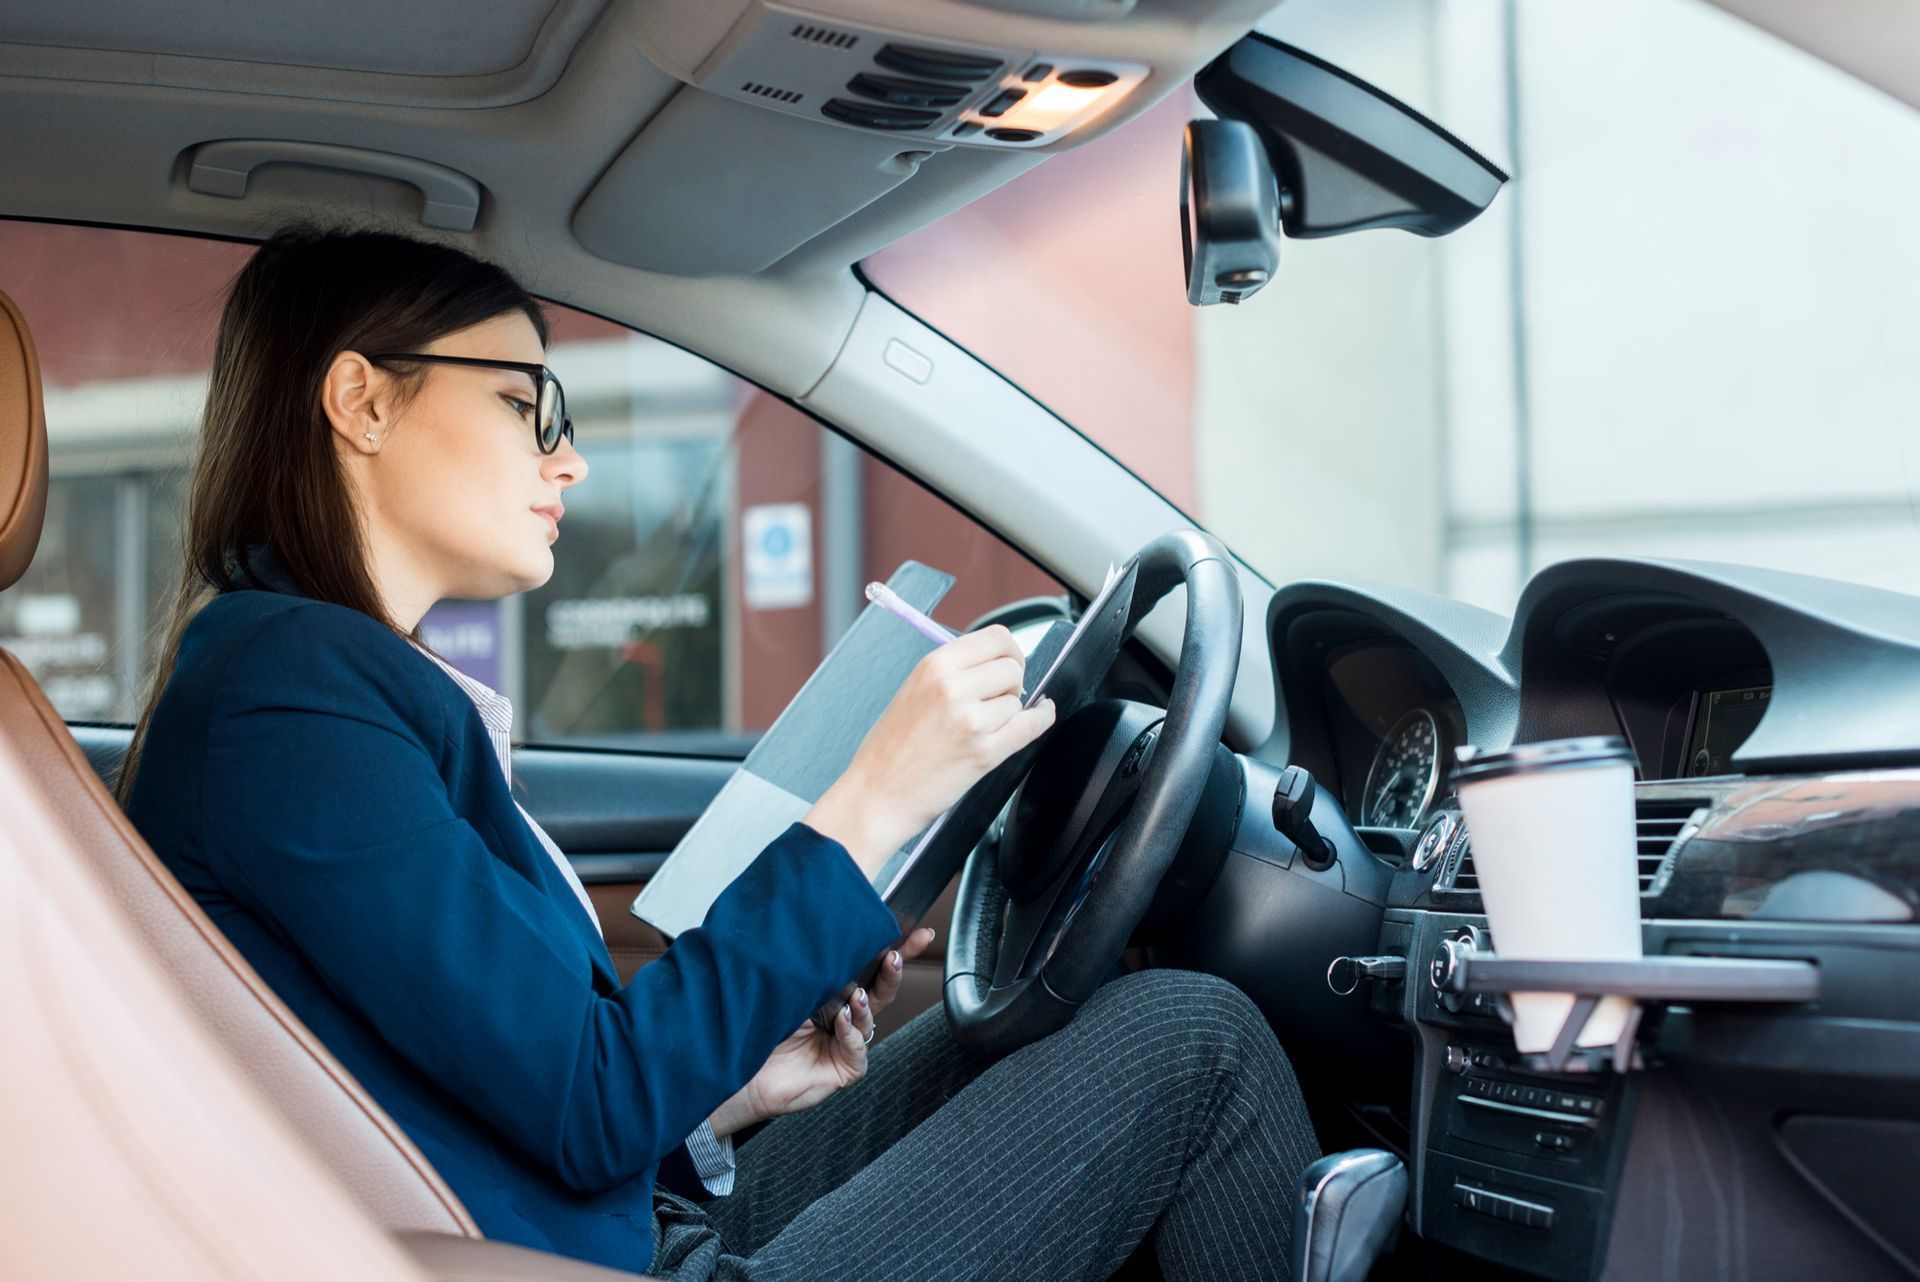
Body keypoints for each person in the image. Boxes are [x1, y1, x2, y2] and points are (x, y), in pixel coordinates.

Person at [121, 224, 1322, 1281]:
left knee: (1034, 1038)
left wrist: (737, 1090)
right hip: (590, 1257)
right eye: (521, 402)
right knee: (1192, 1047)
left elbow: (488, 1082)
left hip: (602, 1223)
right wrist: (868, 799)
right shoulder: (291, 701)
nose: (568, 458)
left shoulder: (309, 680)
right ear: (363, 402)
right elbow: (587, 1099)